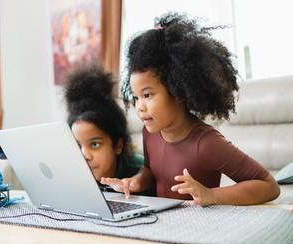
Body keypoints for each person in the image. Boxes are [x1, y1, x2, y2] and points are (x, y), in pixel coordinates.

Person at [101, 12, 280, 206]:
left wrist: (211, 195)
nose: (139, 107)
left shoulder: (206, 143)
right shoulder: (150, 132)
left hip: (199, 230)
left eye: (147, 95)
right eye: (135, 98)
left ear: (179, 92)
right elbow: (152, 172)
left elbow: (268, 185)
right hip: (162, 225)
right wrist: (135, 182)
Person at [62, 63, 152, 194]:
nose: (84, 155)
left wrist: (136, 183)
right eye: (77, 145)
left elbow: (152, 178)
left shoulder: (138, 171)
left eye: (94, 144)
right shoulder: (75, 173)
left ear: (118, 145)